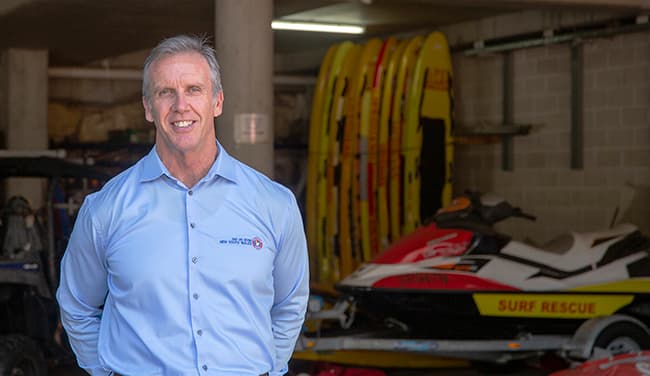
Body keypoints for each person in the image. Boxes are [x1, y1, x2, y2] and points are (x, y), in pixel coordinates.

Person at [57, 34, 310, 376]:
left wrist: (269, 369)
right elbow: (77, 305)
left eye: (194, 89)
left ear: (217, 101)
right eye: (165, 92)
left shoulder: (274, 204)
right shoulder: (105, 209)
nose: (181, 106)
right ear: (148, 107)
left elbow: (290, 304)